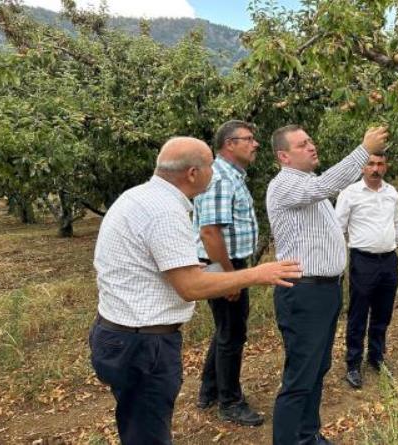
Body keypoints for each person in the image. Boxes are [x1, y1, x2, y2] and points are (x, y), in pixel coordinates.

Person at [89, 137, 302, 445]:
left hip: (118, 333)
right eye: (210, 166)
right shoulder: (165, 212)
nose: (214, 172)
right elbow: (190, 287)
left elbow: (147, 264)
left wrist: (192, 266)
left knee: (138, 424)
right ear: (192, 173)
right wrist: (256, 274)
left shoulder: (139, 197)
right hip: (143, 345)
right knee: (147, 434)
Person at [266, 125, 389, 445]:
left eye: (310, 140)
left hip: (324, 290)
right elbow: (325, 185)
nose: (311, 146)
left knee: (317, 368)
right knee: (300, 376)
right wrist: (364, 150)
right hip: (304, 292)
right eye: (302, 144)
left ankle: (308, 436)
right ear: (284, 156)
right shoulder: (285, 186)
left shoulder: (307, 184)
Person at [193, 120, 263, 426]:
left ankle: (210, 391)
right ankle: (230, 402)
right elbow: (210, 232)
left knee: (227, 329)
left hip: (227, 263)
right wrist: (228, 274)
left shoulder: (232, 176)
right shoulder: (220, 177)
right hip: (223, 263)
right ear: (229, 144)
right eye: (248, 139)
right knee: (233, 334)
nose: (255, 144)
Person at [335, 153, 398, 389]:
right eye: (371, 164)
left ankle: (376, 357)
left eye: (380, 164)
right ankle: (352, 363)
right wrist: (339, 262)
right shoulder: (349, 194)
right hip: (363, 262)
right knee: (358, 313)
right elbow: (338, 229)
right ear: (362, 168)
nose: (375, 168)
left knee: (383, 314)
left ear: (386, 167)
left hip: (388, 261)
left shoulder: (391, 192)